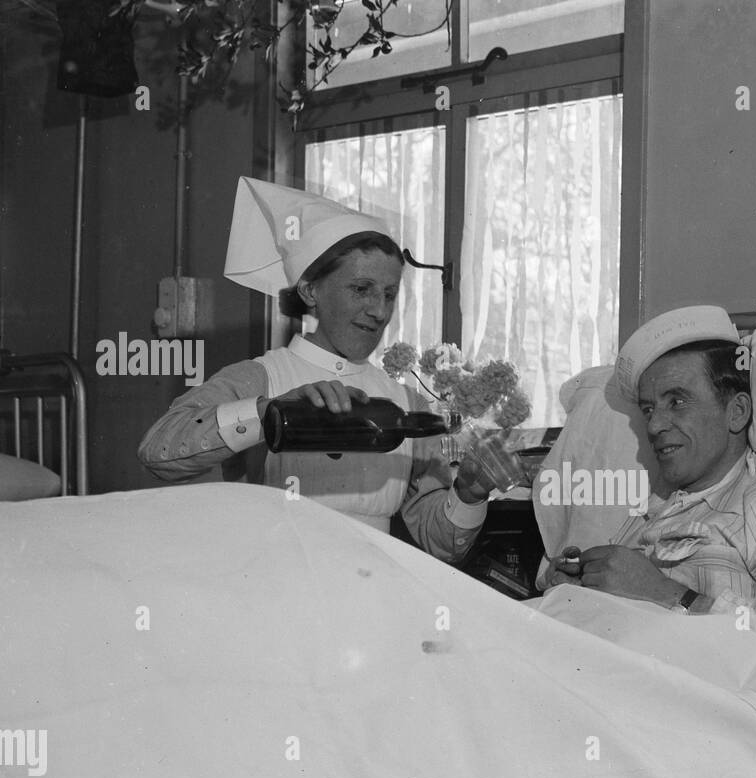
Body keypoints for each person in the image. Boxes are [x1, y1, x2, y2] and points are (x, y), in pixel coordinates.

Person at [138, 177, 515, 562]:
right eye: (361, 289)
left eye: (389, 294)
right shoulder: (261, 377)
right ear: (310, 291)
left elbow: (440, 543)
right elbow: (157, 452)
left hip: (367, 595)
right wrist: (268, 411)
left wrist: (469, 494)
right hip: (274, 593)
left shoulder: (403, 400)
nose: (380, 311)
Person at [543, 305, 756, 666]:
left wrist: (670, 596)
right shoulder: (658, 507)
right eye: (649, 409)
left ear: (737, 412)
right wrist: (577, 589)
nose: (653, 427)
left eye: (677, 402)